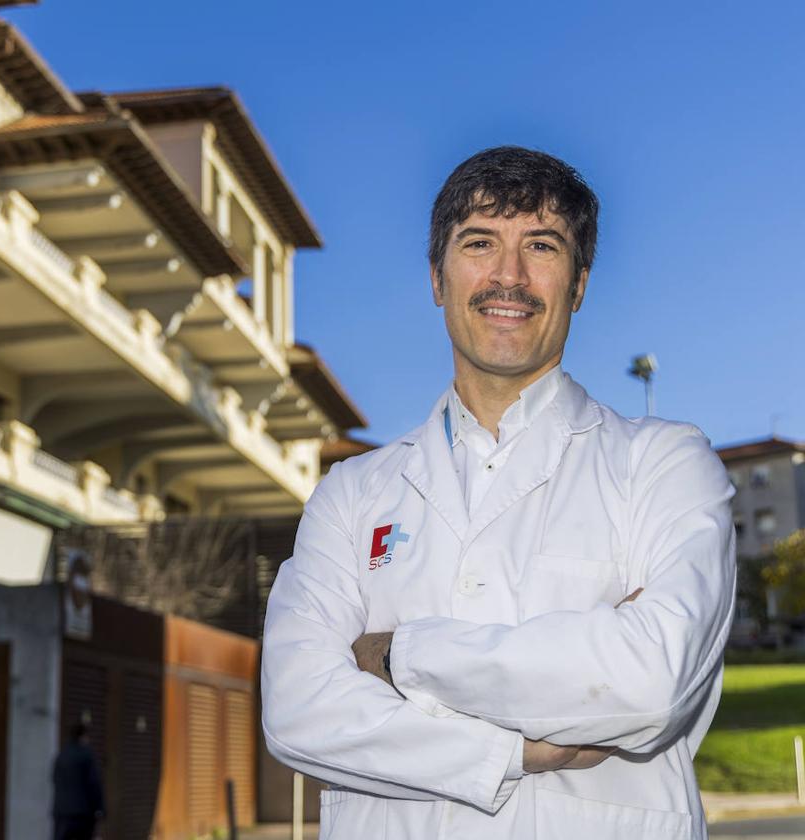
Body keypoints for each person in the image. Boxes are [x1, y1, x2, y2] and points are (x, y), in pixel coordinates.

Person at [261, 146, 734, 839]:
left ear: (578, 285)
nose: (508, 277)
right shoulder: (351, 495)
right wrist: (514, 749)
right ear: (436, 276)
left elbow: (651, 679)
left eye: (541, 246)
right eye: (479, 243)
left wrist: (400, 658)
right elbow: (298, 709)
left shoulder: (663, 464)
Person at [51, 722, 105, 840]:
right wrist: (100, 809)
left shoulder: (61, 755)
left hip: (61, 814)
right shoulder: (86, 755)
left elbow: (54, 779)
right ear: (83, 736)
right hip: (82, 815)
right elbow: (94, 784)